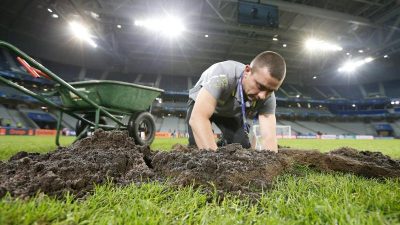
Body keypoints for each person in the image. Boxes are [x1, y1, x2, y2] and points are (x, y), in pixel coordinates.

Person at [186, 51, 286, 152]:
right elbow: (198, 118)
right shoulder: (223, 76)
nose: (262, 96)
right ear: (247, 71)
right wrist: (215, 160)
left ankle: (222, 145)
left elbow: (269, 137)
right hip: (200, 104)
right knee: (197, 149)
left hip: (229, 113)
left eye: (270, 90)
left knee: (242, 148)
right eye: (260, 86)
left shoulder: (268, 97)